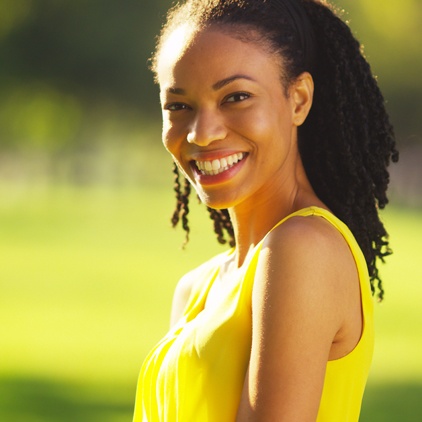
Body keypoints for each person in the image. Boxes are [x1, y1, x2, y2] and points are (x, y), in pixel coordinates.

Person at [133, 0, 399, 420]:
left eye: (236, 97)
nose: (202, 134)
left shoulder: (303, 250)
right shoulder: (195, 289)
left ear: (298, 100)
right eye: (179, 106)